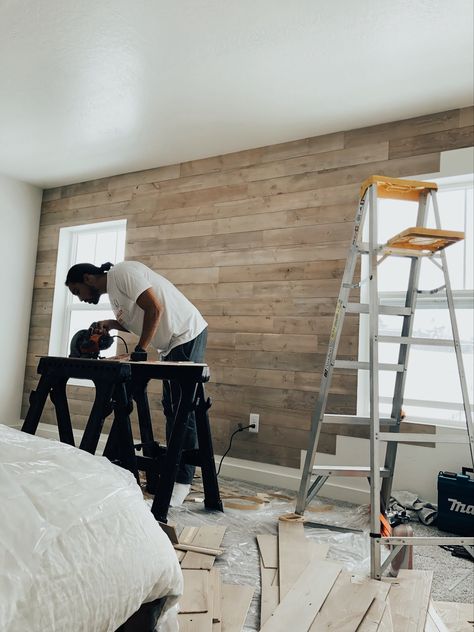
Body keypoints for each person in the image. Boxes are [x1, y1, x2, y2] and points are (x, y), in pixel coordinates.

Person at [65, 260, 208, 507]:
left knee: (181, 408)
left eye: (78, 291)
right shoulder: (115, 296)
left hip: (185, 333)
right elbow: (140, 318)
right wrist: (111, 324)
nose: (80, 298)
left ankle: (182, 482)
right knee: (170, 406)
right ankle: (168, 472)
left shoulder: (123, 273)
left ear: (88, 278)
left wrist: (140, 350)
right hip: (170, 344)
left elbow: (155, 309)